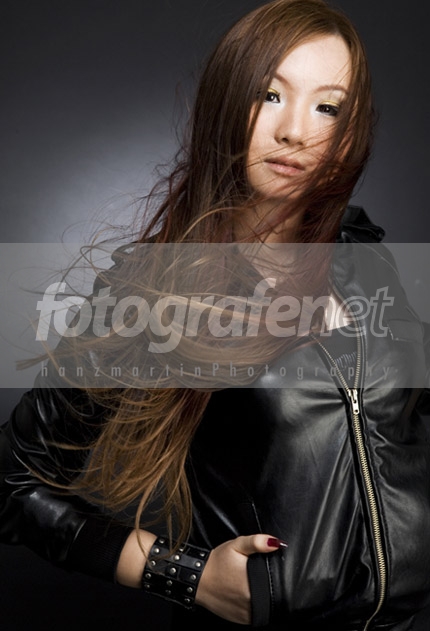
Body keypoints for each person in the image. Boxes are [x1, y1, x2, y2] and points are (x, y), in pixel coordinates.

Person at [1, 1, 429, 630]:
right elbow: (14, 485)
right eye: (269, 95)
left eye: (328, 107)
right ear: (227, 103)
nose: (295, 131)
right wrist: (184, 575)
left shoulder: (366, 255)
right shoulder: (154, 287)